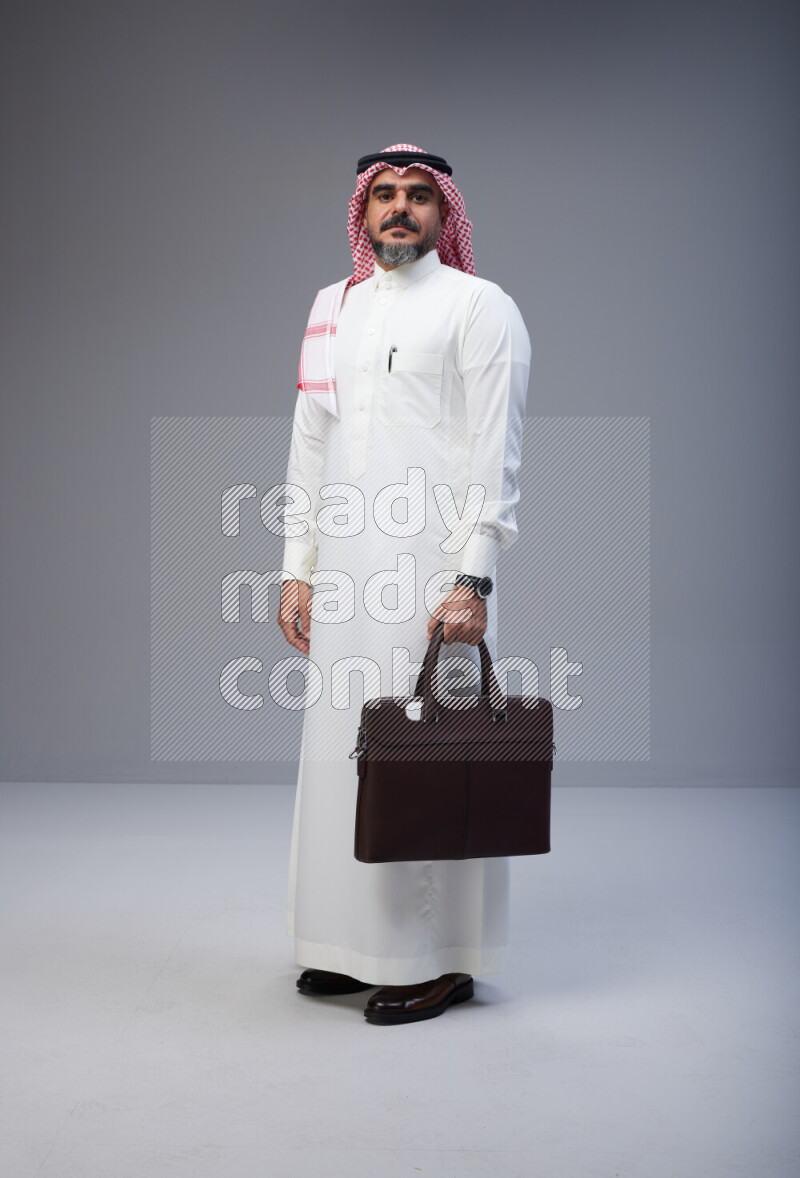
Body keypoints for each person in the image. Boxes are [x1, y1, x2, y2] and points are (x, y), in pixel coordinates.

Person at [277, 143, 530, 1025]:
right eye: (383, 194)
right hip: (346, 577)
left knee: (428, 756)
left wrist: (474, 579)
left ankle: (439, 959)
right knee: (345, 752)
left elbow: (495, 456)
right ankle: (350, 949)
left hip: (433, 571)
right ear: (362, 209)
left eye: (419, 196)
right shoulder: (330, 309)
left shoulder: (479, 307)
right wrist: (295, 571)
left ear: (441, 212)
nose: (399, 210)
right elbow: (310, 446)